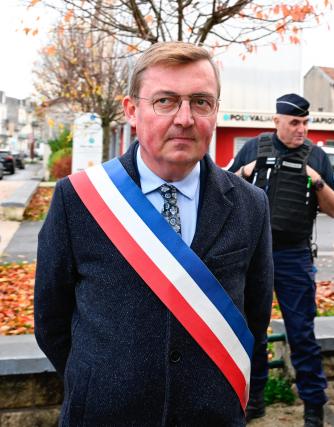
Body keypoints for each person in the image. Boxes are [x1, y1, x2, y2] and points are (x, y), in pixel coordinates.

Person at [34, 42, 274, 425]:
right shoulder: (77, 199)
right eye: (165, 101)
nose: (184, 118)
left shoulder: (250, 205)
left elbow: (255, 318)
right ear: (132, 110)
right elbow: (51, 320)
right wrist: (103, 382)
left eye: (201, 102)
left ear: (215, 111)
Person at [228, 93, 334, 426]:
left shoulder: (317, 156)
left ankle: (313, 406)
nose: (302, 129)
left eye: (306, 122)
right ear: (276, 121)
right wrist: (245, 172)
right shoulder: (254, 149)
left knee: (302, 335)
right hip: (254, 255)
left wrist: (316, 179)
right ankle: (255, 400)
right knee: (252, 332)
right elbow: (224, 193)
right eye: (295, 122)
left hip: (294, 256)